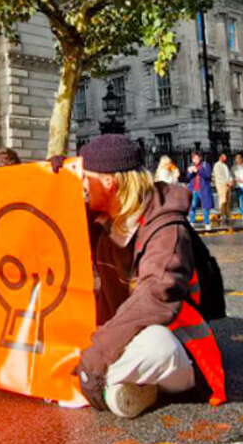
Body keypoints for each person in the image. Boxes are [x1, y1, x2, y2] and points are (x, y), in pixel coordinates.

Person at [69, 134, 227, 418]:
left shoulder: (167, 228)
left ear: (109, 183)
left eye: (83, 178)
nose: (80, 186)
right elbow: (53, 223)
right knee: (82, 345)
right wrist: (53, 180)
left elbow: (156, 297)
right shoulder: (100, 216)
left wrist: (95, 357)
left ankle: (108, 378)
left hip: (174, 342)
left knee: (157, 347)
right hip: (122, 330)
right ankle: (124, 384)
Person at [186, 152, 213, 230]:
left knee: (205, 207)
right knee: (192, 206)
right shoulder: (191, 166)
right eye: (194, 158)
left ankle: (207, 223)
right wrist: (190, 172)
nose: (195, 160)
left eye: (197, 158)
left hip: (203, 189)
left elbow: (207, 175)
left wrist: (197, 170)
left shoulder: (205, 165)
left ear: (200, 158)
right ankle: (192, 222)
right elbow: (187, 177)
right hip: (194, 189)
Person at [212, 154, 232, 227]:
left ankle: (227, 215)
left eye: (225, 157)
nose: (225, 158)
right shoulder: (217, 165)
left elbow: (228, 175)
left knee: (227, 200)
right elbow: (219, 176)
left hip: (227, 185)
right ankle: (223, 215)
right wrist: (226, 182)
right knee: (222, 201)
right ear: (220, 157)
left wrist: (230, 181)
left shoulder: (225, 165)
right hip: (221, 185)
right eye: (224, 157)